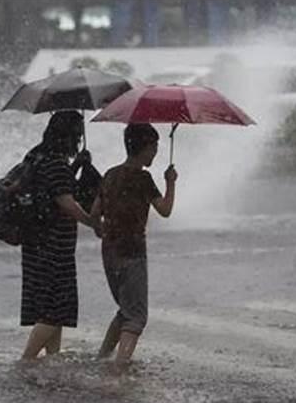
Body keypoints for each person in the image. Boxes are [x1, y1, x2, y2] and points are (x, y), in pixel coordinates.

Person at [90, 123, 178, 375]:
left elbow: (95, 213)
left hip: (109, 252)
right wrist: (170, 182)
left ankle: (101, 359)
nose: (155, 154)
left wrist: (99, 229)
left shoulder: (110, 175)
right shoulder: (143, 178)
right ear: (144, 148)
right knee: (136, 317)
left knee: (125, 311)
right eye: (154, 148)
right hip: (133, 252)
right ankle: (119, 370)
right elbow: (165, 209)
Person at [19, 110, 98, 362]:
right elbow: (65, 202)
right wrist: (94, 223)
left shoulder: (37, 155)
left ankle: (52, 358)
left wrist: (75, 166)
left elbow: (51, 187)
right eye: (77, 134)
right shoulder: (55, 163)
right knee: (55, 309)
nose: (78, 139)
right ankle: (27, 360)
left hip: (35, 243)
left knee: (53, 306)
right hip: (54, 246)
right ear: (70, 135)